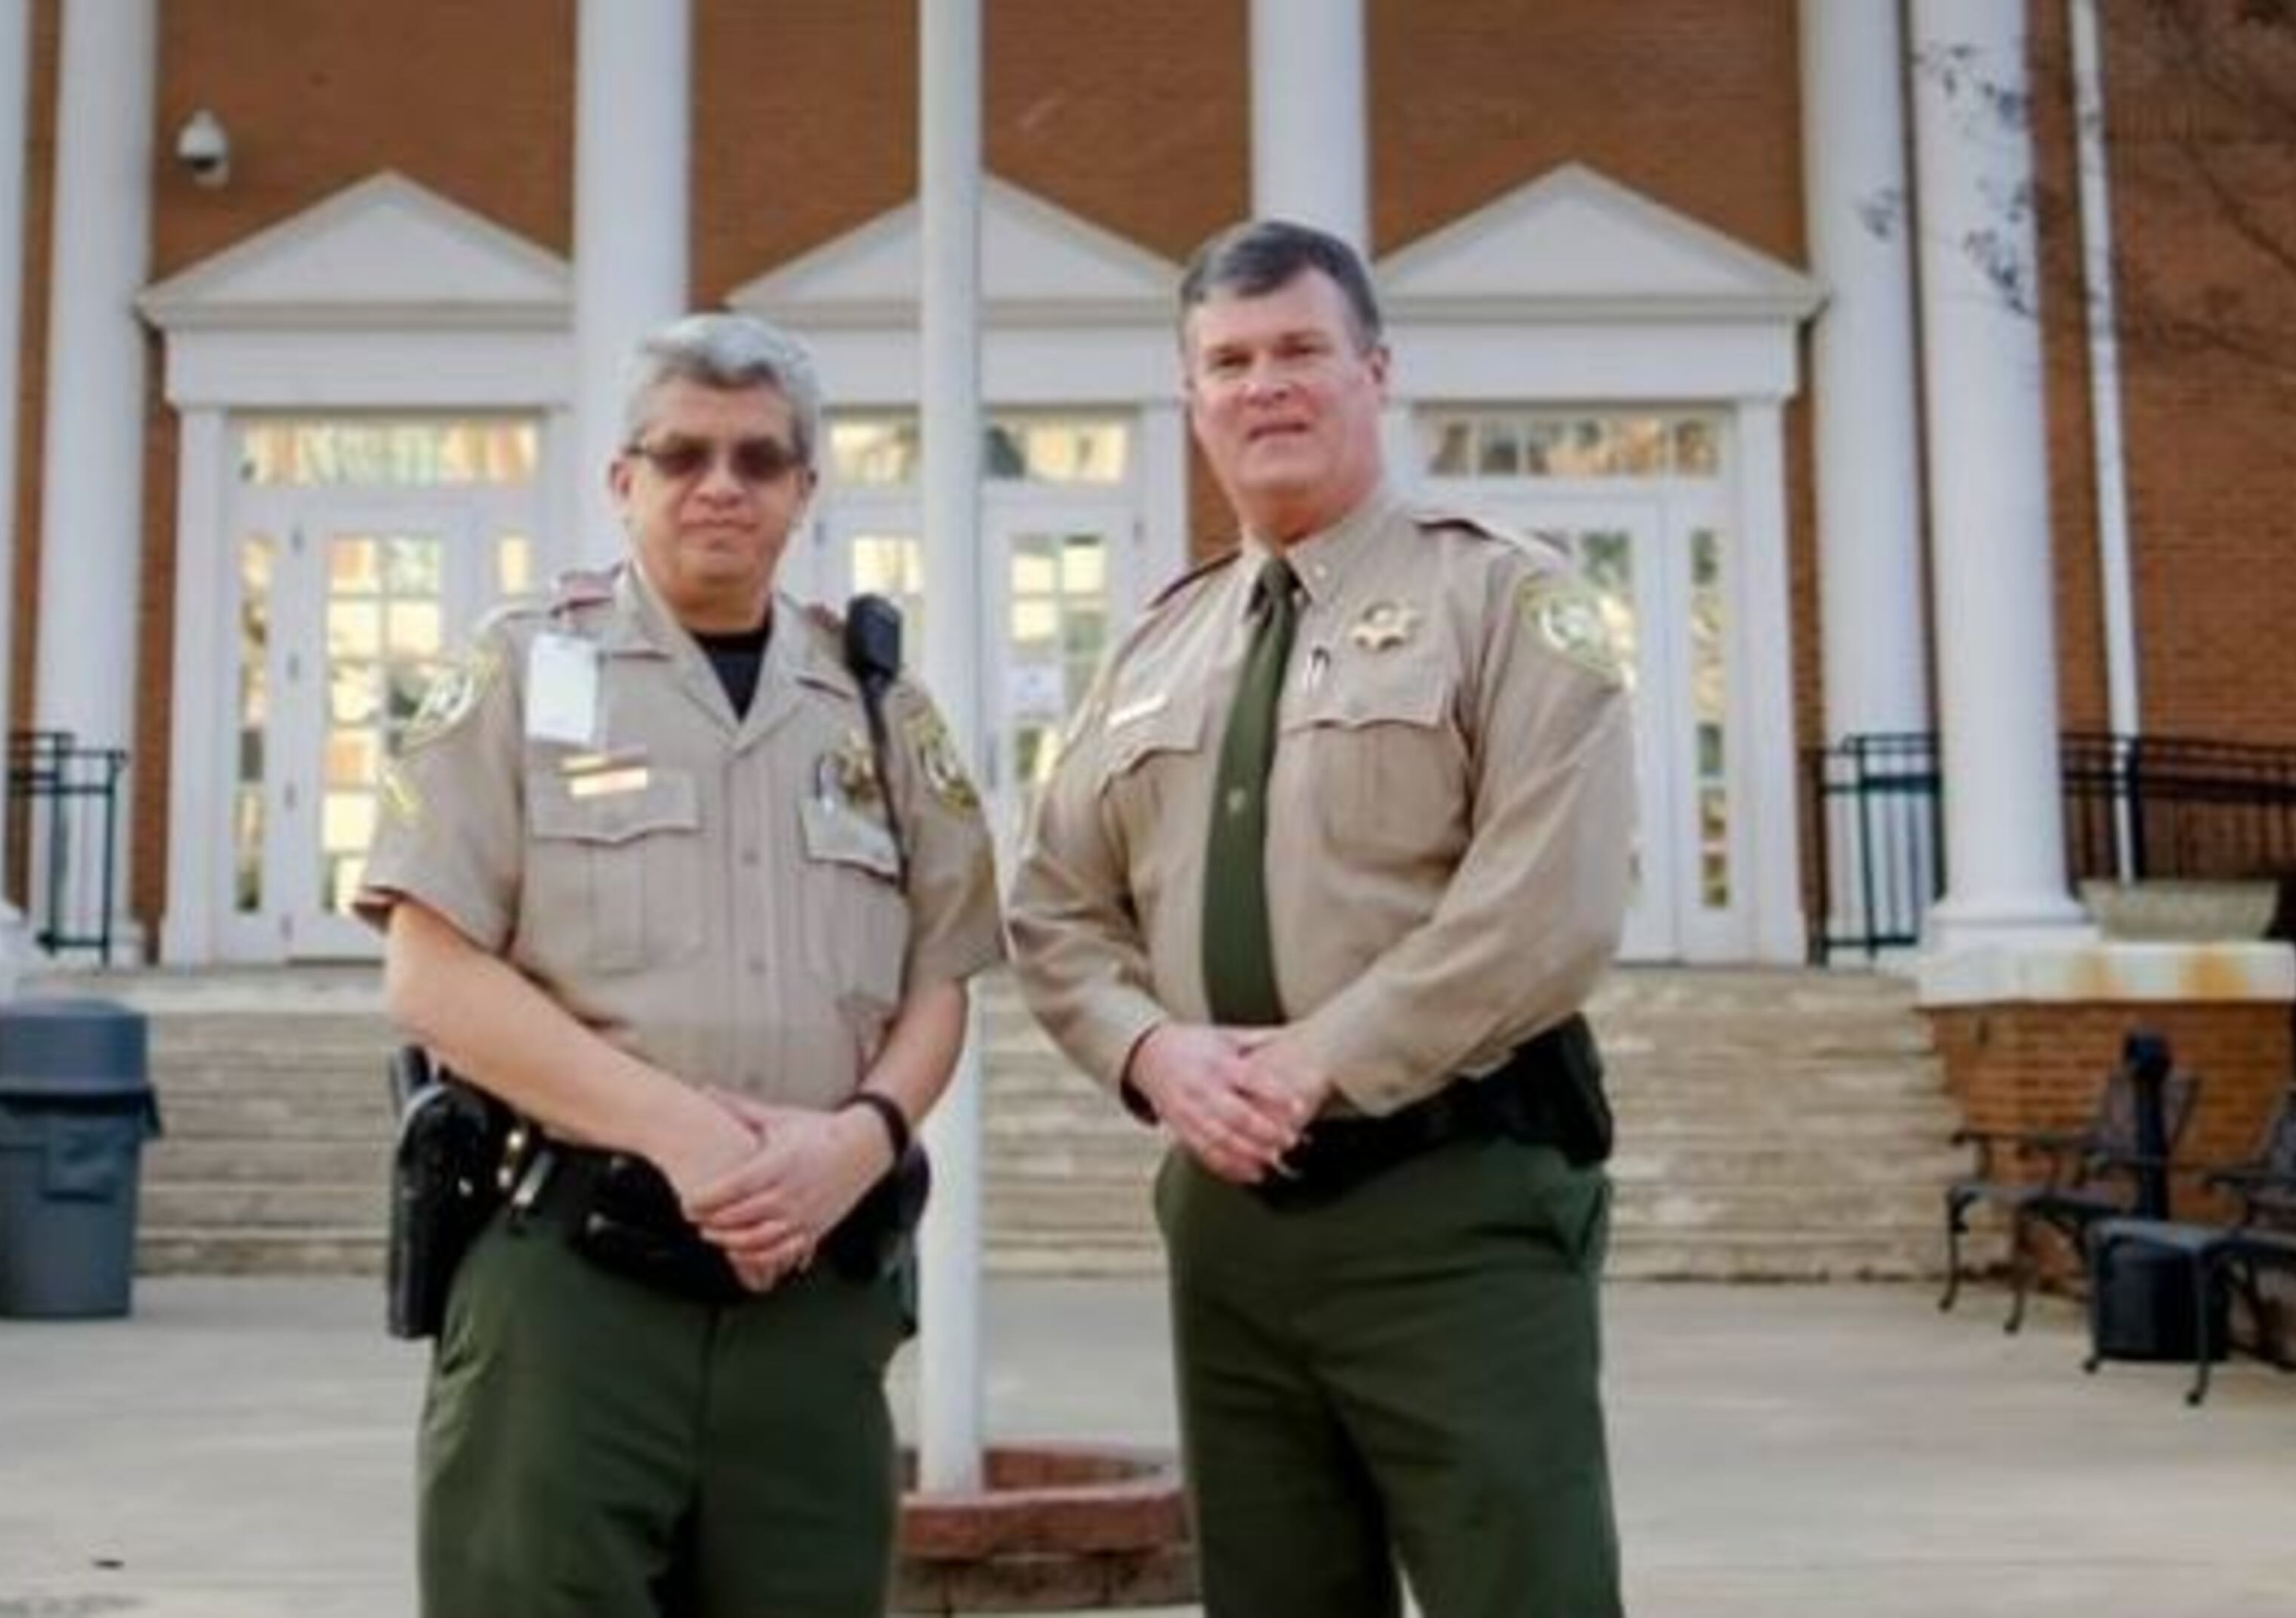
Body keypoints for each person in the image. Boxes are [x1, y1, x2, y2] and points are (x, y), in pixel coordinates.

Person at [1006, 218, 1636, 1617]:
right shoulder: (1156, 648)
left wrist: (1318, 1056)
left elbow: (1549, 904)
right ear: (1191, 399)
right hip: (1231, 1225)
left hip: (1453, 1199)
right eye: (1228, 361)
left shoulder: (1505, 601)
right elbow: (1054, 906)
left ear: (1376, 371)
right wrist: (1154, 1055)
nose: (1264, 385)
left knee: (1522, 1589)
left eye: (1300, 349)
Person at [354, 312, 1004, 1617]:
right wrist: (689, 1139)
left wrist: (858, 1143)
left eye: (761, 460)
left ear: (805, 490)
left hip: (812, 1292)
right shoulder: (524, 666)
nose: (723, 485)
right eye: (683, 455)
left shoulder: (878, 705)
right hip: (575, 1287)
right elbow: (431, 974)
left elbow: (944, 978)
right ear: (623, 481)